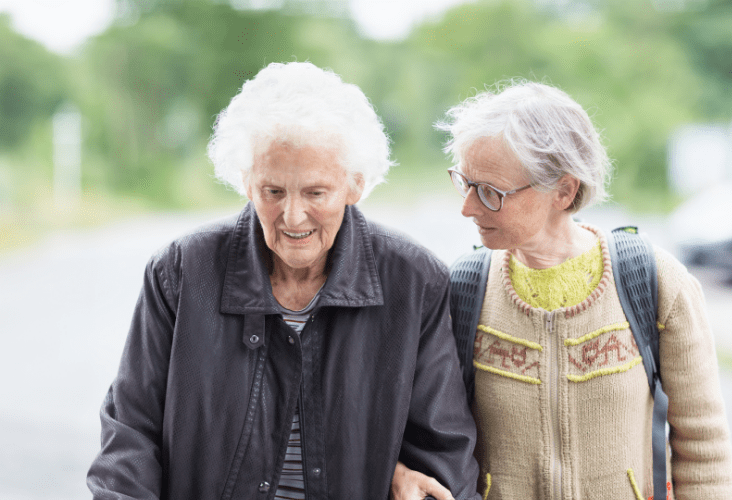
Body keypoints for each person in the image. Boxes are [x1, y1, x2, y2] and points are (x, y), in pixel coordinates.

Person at [87, 61, 481, 500]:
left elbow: (443, 453)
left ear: (355, 185)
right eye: (273, 191)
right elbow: (129, 435)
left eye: (316, 193)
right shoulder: (181, 270)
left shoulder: (414, 280)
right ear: (246, 182)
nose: (293, 217)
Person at [392, 80, 732, 499]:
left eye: (489, 192)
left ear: (563, 190)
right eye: (465, 183)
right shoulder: (463, 291)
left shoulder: (656, 282)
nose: (467, 207)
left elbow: (703, 443)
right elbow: (410, 426)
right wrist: (398, 470)